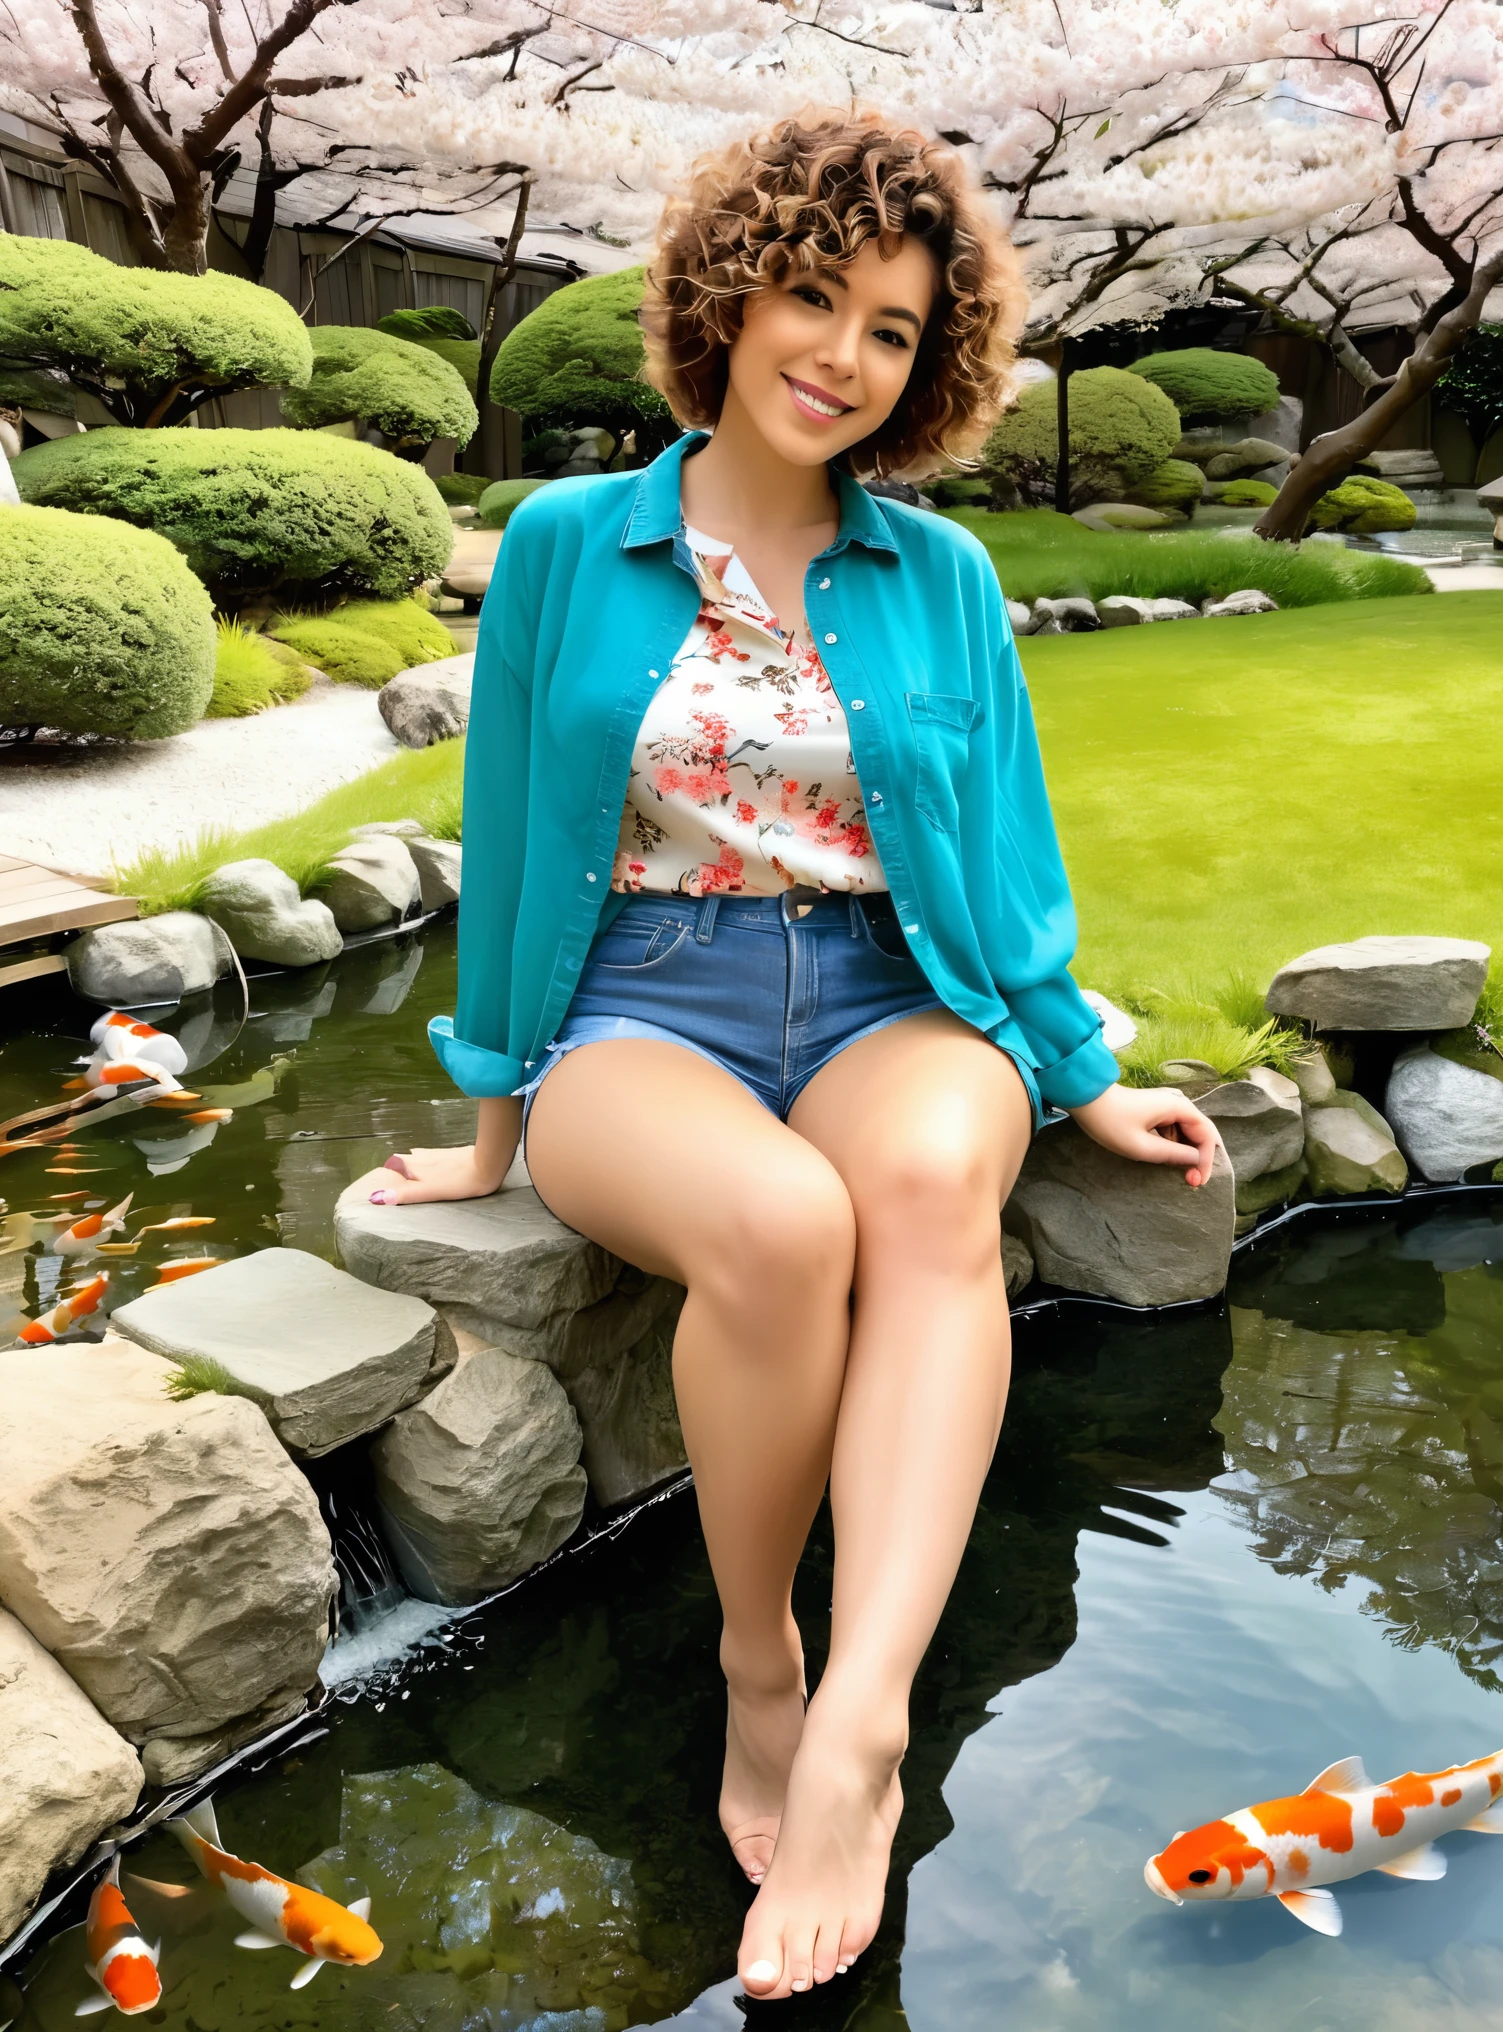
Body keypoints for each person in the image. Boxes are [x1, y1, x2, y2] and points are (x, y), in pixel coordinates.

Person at [373, 108, 1219, 2002]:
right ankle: (759, 1649)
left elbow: (1002, 853)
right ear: (730, 295)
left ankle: (858, 1721)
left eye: (897, 329)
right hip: (639, 999)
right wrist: (489, 1123)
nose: (843, 354)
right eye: (816, 297)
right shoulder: (569, 546)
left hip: (884, 987)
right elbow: (510, 840)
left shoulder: (938, 580)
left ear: (939, 365)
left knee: (926, 1182)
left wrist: (1075, 1071)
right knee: (774, 1230)